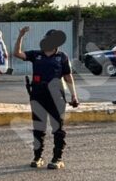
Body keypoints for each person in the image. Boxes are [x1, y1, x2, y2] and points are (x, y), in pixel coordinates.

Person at [14, 27, 79, 170]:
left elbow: (68, 77)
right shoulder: (36, 54)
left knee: (58, 128)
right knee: (38, 128)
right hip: (38, 95)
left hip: (56, 97)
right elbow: (17, 53)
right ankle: (38, 157)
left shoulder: (62, 57)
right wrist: (20, 36)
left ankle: (57, 158)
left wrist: (74, 95)